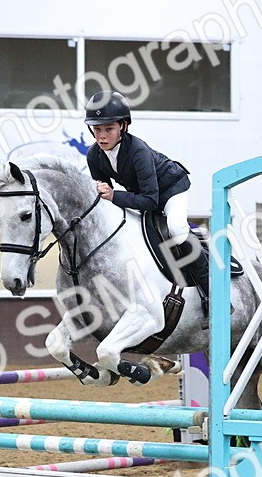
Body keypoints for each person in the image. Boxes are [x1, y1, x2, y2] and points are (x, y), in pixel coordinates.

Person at [84, 90, 210, 322]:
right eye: (97, 129)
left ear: (123, 126)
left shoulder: (138, 151)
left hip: (170, 190)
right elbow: (105, 194)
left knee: (177, 229)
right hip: (142, 194)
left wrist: (114, 196)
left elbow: (150, 201)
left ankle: (211, 292)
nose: (102, 136)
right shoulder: (94, 155)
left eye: (108, 129)